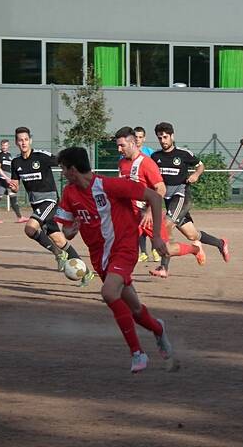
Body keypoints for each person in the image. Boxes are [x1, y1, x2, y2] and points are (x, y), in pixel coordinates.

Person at [55, 146, 172, 373]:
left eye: (63, 169)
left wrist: (156, 236)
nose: (62, 173)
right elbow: (66, 230)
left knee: (109, 293)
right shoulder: (70, 193)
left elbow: (154, 197)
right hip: (100, 257)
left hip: (124, 248)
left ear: (72, 169)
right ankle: (158, 329)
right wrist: (72, 229)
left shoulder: (109, 185)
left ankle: (138, 354)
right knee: (135, 309)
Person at [8, 126, 95, 286]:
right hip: (36, 205)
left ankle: (58, 254)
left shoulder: (41, 156)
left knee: (30, 229)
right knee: (59, 239)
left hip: (50, 200)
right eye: (20, 140)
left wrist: (78, 173)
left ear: (30, 140)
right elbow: (16, 185)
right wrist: (13, 187)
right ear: (16, 142)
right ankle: (87, 273)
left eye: (26, 139)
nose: (23, 143)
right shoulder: (16, 162)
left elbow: (62, 162)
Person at [116, 127, 206, 275]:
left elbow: (161, 189)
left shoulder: (147, 163)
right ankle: (116, 275)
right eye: (118, 146)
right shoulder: (122, 164)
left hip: (148, 216)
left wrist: (150, 211)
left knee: (165, 249)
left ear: (132, 143)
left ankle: (194, 249)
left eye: (122, 145)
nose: (119, 149)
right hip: (131, 215)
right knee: (120, 244)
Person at [150, 122, 229, 279]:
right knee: (193, 235)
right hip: (168, 199)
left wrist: (196, 174)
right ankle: (221, 243)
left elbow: (200, 165)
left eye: (165, 137)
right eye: (160, 138)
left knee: (166, 225)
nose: (163, 140)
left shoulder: (183, 154)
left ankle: (163, 267)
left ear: (172, 136)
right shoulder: (155, 157)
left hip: (181, 196)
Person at [133, 126, 158, 262]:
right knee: (139, 223)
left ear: (144, 138)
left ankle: (155, 250)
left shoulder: (150, 153)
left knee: (151, 223)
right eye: (136, 137)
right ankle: (143, 252)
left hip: (149, 193)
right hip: (136, 194)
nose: (138, 139)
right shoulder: (127, 154)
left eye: (140, 137)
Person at [0, 139, 27, 223]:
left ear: (8, 146)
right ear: (1, 145)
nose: (4, 147)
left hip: (9, 179)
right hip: (1, 179)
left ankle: (19, 217)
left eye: (6, 145)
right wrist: (5, 177)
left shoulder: (9, 155)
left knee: (13, 196)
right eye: (3, 145)